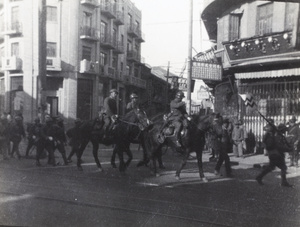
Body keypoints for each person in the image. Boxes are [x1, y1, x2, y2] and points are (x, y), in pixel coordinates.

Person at [256, 123, 293, 187]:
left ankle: (260, 177)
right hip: (276, 154)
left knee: (272, 167)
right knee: (282, 167)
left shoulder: (278, 136)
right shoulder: (278, 136)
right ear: (282, 130)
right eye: (284, 130)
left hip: (276, 154)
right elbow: (280, 147)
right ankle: (283, 182)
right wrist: (288, 149)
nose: (285, 131)